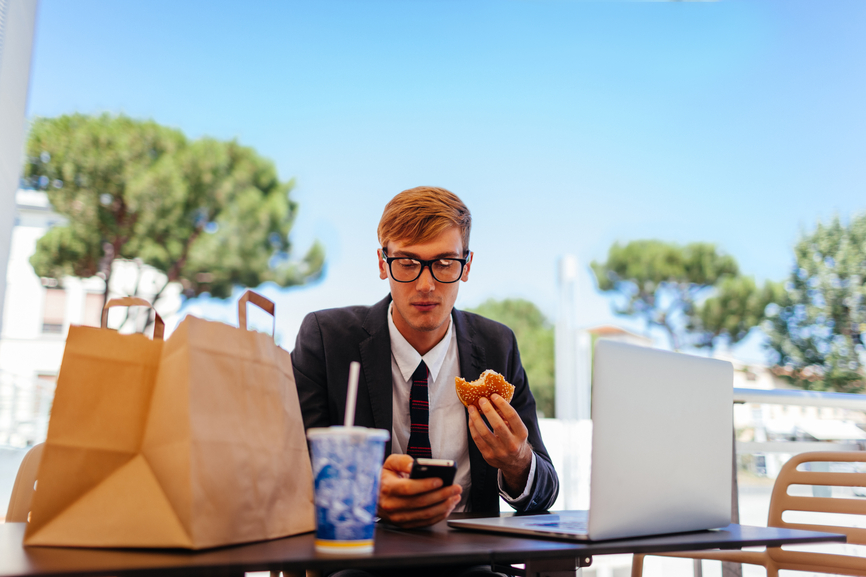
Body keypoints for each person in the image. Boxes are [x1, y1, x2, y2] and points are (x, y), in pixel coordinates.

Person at [292, 186, 558, 550]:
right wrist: (367, 491)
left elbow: (544, 494)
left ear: (467, 265)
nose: (426, 284)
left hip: (472, 563)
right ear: (382, 263)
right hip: (362, 559)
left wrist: (517, 461)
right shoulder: (326, 340)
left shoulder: (498, 345)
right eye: (407, 262)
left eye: (445, 263)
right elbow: (292, 473)